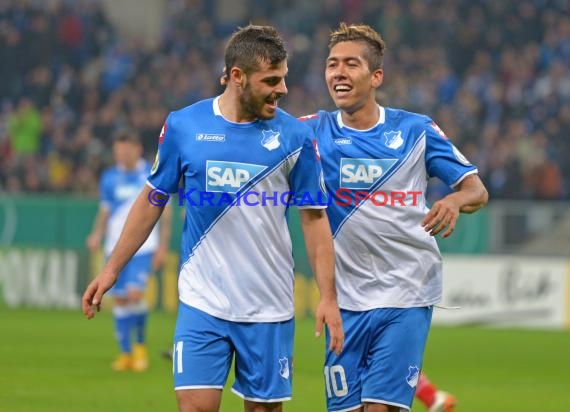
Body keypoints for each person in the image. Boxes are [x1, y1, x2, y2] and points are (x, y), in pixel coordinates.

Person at [82, 24, 344, 412]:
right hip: (202, 300)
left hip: (268, 304)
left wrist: (329, 296)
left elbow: (314, 217)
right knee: (195, 406)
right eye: (271, 80)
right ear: (237, 77)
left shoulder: (295, 137)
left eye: (284, 78)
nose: (283, 89)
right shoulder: (184, 126)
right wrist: (111, 269)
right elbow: (153, 198)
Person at [299, 23, 488, 412]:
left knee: (380, 408)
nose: (339, 73)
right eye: (332, 64)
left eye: (351, 64)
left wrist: (454, 201)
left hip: (407, 289)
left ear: (376, 76)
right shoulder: (311, 131)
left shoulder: (415, 130)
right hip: (345, 299)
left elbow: (476, 190)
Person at [86, 130, 172, 372]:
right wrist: (96, 234)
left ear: (136, 149)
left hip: (144, 247)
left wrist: (163, 245)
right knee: (121, 299)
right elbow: (105, 211)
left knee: (135, 295)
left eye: (125, 150)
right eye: (117, 151)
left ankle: (140, 349)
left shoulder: (151, 173)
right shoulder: (110, 177)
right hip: (114, 247)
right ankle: (125, 353)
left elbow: (165, 211)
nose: (121, 155)